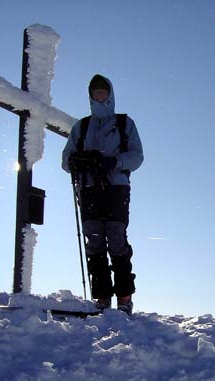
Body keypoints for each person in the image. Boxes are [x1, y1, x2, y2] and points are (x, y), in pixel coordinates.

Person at [62, 74, 144, 315]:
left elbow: (137, 156)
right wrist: (78, 162)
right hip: (88, 189)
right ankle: (102, 297)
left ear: (110, 94)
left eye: (103, 91)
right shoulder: (82, 126)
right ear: (90, 96)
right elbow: (66, 159)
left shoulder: (123, 123)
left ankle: (124, 298)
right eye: (96, 92)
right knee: (95, 242)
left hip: (116, 188)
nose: (100, 95)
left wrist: (113, 162)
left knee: (116, 239)